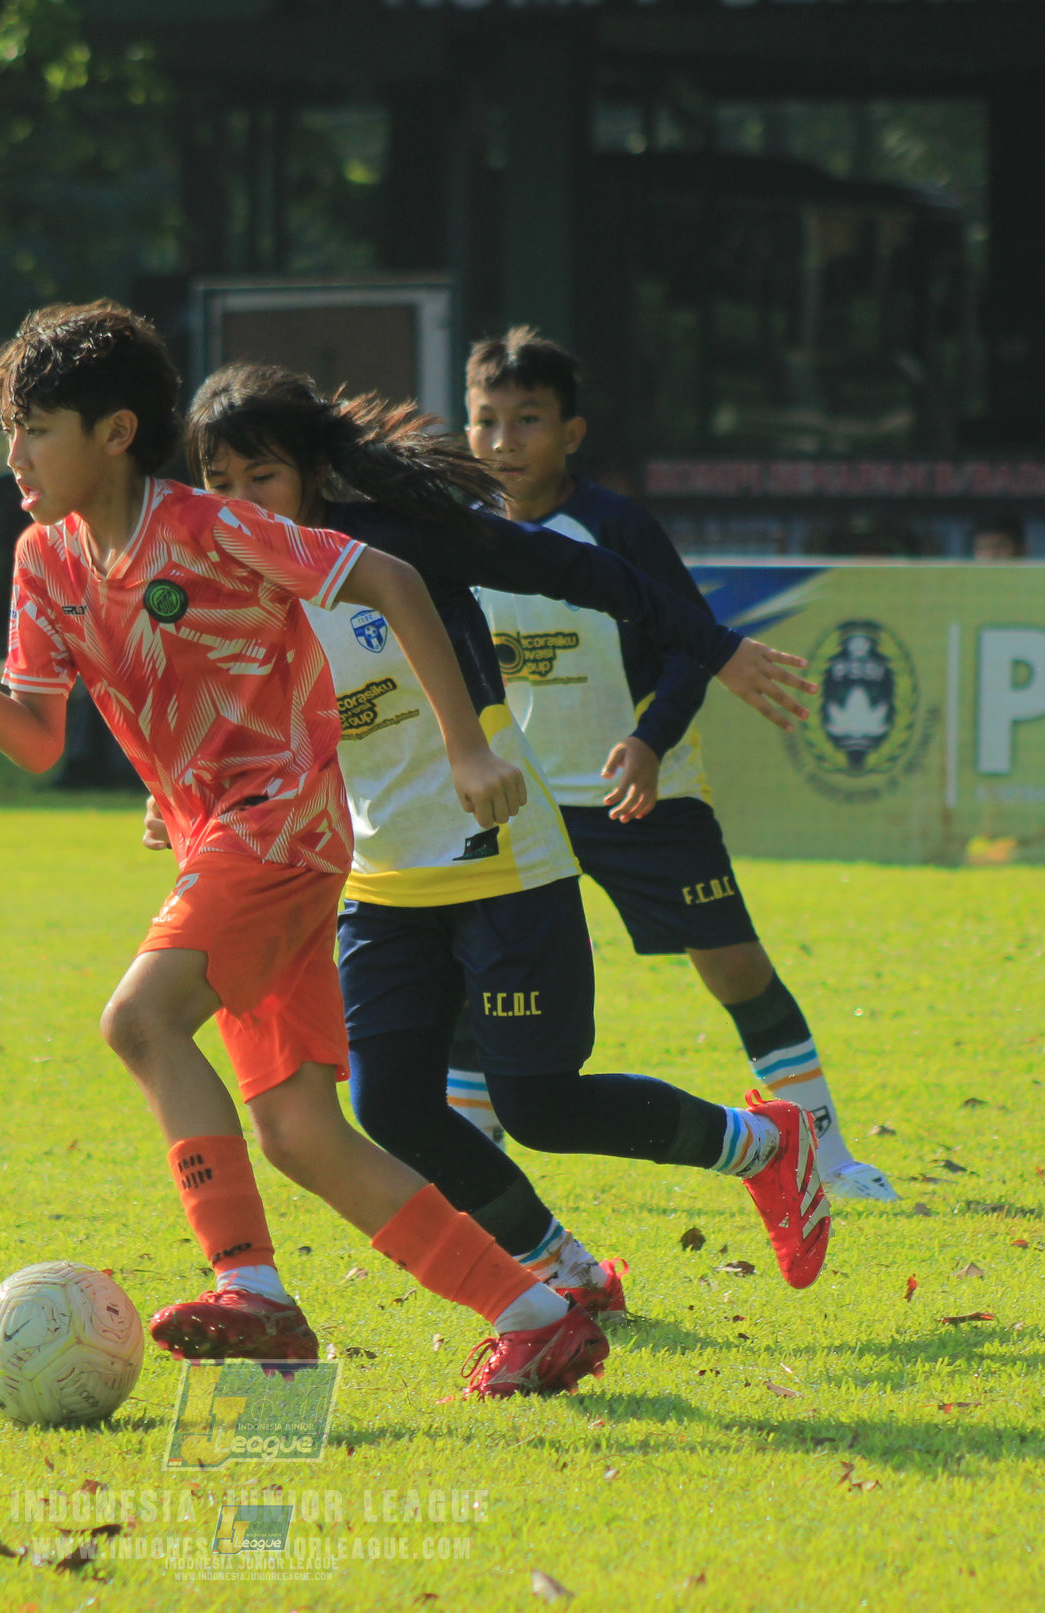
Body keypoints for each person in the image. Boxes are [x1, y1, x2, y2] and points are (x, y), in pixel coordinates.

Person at [0, 301, 600, 1397]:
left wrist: (466, 747)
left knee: (138, 1020)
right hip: (216, 845)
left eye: (37, 428)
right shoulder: (43, 560)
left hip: (281, 823)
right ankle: (537, 1310)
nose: (15, 456)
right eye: (11, 431)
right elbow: (39, 740)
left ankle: (255, 1295)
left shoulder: (210, 526)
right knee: (297, 1132)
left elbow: (391, 579)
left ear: (116, 432)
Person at [174, 362, 831, 1306]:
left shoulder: (398, 546)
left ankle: (766, 1142)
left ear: (315, 472)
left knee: (541, 1108)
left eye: (262, 477)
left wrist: (714, 647)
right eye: (219, 483)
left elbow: (582, 570)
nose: (241, 504)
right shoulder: (226, 586)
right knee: (390, 1105)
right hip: (381, 880)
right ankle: (565, 1271)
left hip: (501, 863)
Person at [461, 327, 897, 1202]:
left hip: (636, 790)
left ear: (571, 433)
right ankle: (468, 1165)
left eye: (528, 420)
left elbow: (693, 645)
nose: (504, 441)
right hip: (516, 800)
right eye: (485, 420)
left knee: (731, 964)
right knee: (480, 974)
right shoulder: (452, 536)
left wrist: (650, 742)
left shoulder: (616, 526)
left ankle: (830, 1153)